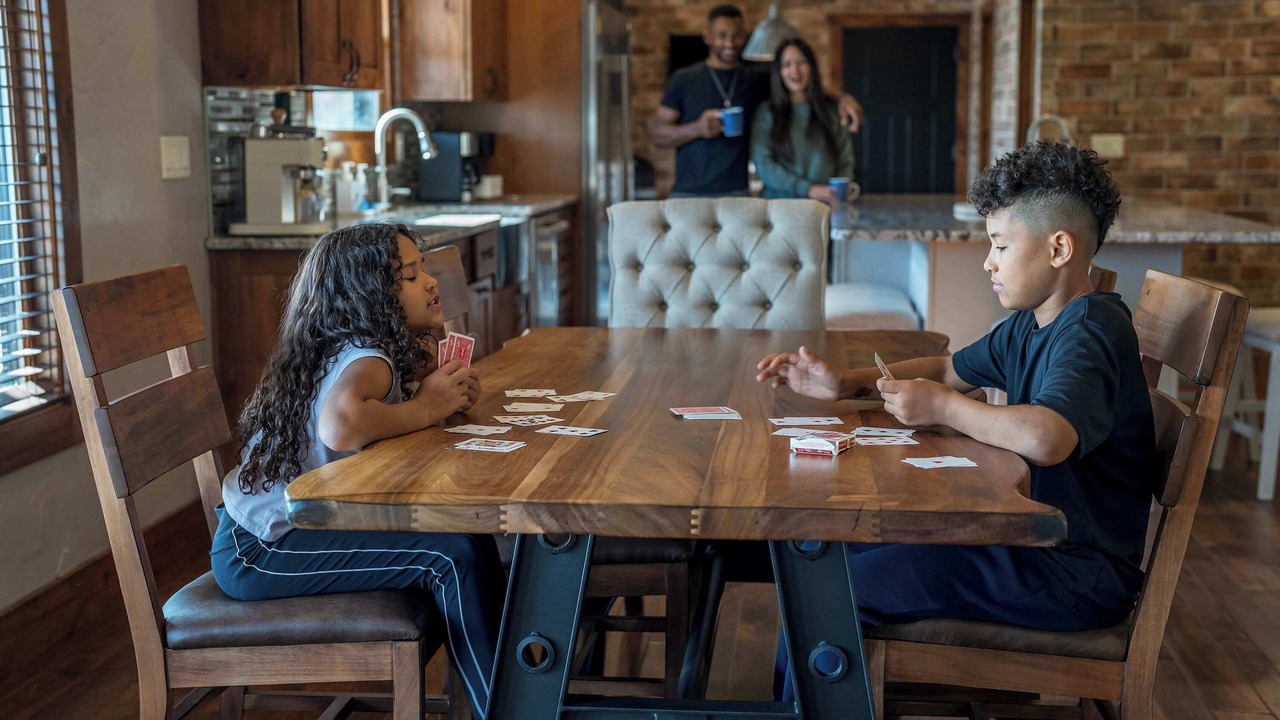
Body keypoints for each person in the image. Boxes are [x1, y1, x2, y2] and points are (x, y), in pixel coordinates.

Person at [756, 141, 1154, 694]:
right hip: (1031, 540)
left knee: (830, 589)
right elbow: (947, 369)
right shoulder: (1033, 322)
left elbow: (1047, 436)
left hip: (1071, 571)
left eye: (1000, 245)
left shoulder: (1088, 331)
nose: (988, 261)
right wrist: (845, 383)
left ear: (1058, 247)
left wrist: (943, 409)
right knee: (830, 551)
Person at [209, 223, 502, 718]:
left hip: (280, 532)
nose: (430, 282)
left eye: (423, 269)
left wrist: (436, 396)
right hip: (264, 550)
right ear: (371, 296)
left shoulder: (360, 351)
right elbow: (340, 426)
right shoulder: (369, 359)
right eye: (409, 276)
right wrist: (427, 409)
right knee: (452, 555)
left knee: (467, 541)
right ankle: (506, 706)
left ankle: (510, 688)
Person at [653, 4, 862, 198]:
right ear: (708, 37)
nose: (730, 43)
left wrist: (842, 98)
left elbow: (797, 87)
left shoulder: (755, 80)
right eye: (722, 35)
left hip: (737, 192)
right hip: (688, 194)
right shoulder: (684, 79)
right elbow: (659, 136)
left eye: (736, 36)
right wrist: (697, 129)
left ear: (744, 37)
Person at [750, 37, 854, 204]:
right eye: (787, 65)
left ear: (812, 67)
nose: (795, 71)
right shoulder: (767, 113)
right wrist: (809, 189)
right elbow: (763, 165)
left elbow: (845, 161)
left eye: (801, 62)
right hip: (778, 209)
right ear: (779, 71)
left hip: (824, 207)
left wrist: (842, 187)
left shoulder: (831, 111)